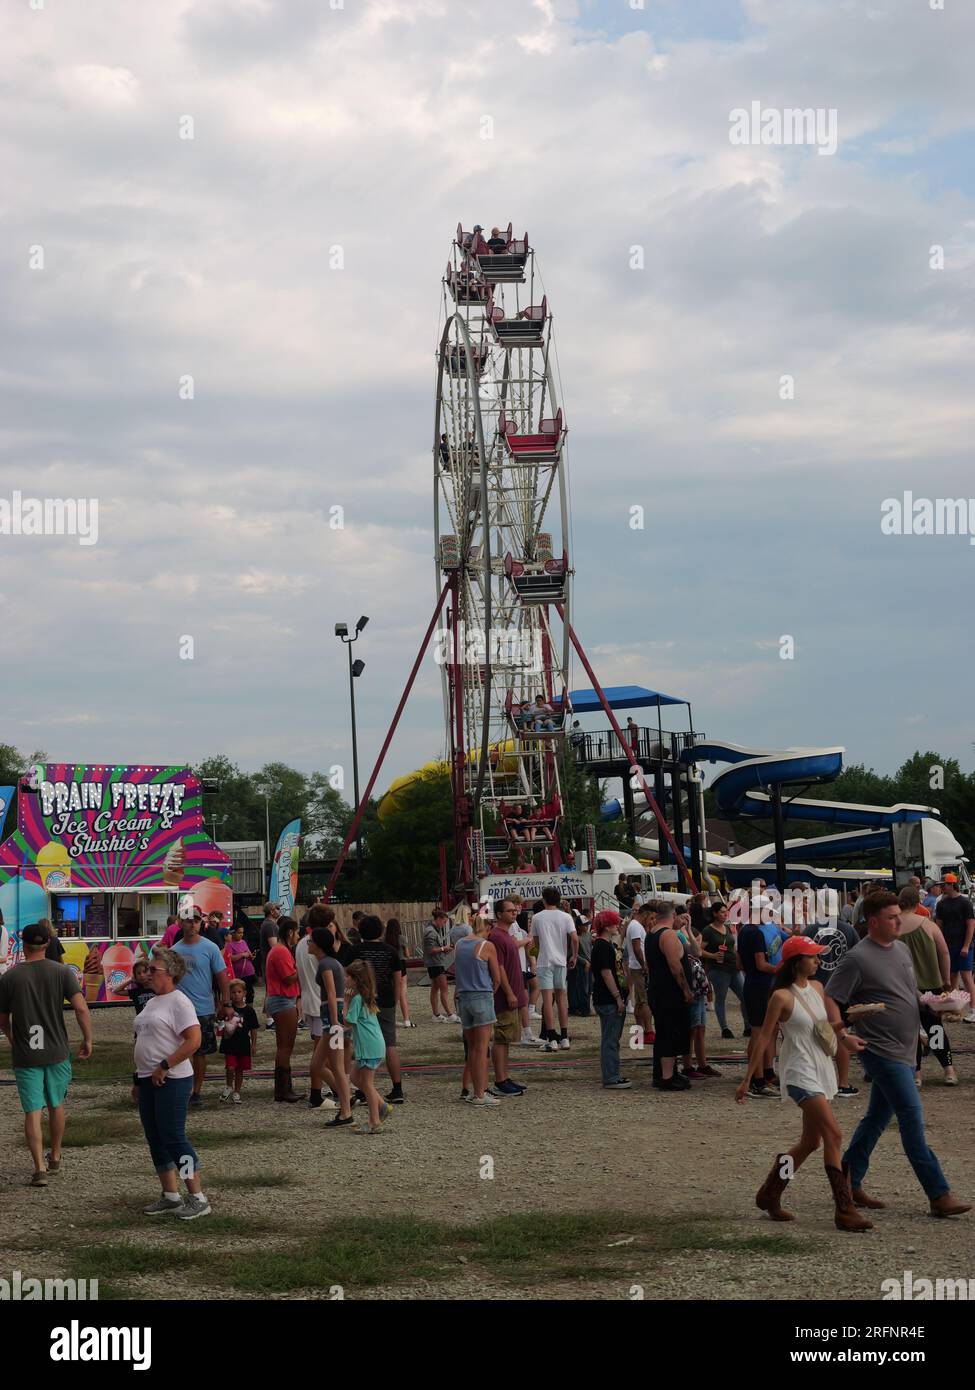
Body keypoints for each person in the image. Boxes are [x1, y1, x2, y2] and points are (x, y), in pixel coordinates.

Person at [827, 891, 970, 1219]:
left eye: (898, 916)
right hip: (880, 1049)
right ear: (873, 922)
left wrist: (938, 1004)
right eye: (892, 918)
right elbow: (832, 998)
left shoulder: (902, 948)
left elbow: (912, 994)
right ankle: (939, 1194)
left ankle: (848, 1180)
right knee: (911, 1117)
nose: (899, 921)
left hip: (906, 1047)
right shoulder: (857, 958)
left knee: (877, 1118)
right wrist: (842, 1034)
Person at [735, 936, 871, 1232]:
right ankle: (844, 1210)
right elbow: (763, 1037)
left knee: (811, 1141)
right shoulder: (781, 997)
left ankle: (770, 1193)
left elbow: (821, 1029)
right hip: (799, 1071)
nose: (818, 961)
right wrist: (748, 1078)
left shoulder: (818, 988)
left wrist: (849, 1025)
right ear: (797, 961)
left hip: (820, 1067)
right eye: (812, 957)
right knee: (833, 1135)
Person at [0, 921, 93, 1186]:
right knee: (56, 1105)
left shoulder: (10, 977)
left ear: (23, 945)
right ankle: (55, 1154)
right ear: (48, 944)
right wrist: (88, 1039)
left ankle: (39, 1167)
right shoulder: (62, 972)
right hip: (56, 1050)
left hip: (27, 1054)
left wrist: (10, 1036)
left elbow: (3, 1018)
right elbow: (82, 1008)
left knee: (32, 1111)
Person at [134, 946, 209, 1219]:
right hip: (148, 1079)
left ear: (170, 974)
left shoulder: (179, 1001)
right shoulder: (152, 1002)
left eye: (154, 969)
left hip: (172, 1079)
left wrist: (166, 1065)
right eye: (148, 968)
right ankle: (170, 1194)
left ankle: (197, 1196)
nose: (148, 974)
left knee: (174, 1136)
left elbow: (193, 1040)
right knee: (155, 1137)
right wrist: (138, 1078)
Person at [896, 886, 957, 1086]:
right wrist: (946, 980)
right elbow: (945, 953)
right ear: (918, 903)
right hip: (931, 984)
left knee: (910, 1032)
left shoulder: (894, 926)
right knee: (935, 1029)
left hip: (903, 987)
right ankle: (949, 1071)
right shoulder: (928, 925)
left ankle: (917, 1075)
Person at [172, 905, 232, 1108]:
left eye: (196, 920)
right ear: (181, 923)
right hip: (179, 1009)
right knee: (180, 1051)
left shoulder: (210, 947)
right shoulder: (174, 950)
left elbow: (222, 977)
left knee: (199, 1052)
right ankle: (182, 1088)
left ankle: (196, 1091)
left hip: (203, 1008)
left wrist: (226, 1003)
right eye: (188, 920)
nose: (192, 924)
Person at [350, 916, 406, 1106]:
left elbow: (346, 975)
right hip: (386, 999)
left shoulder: (355, 950)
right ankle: (397, 1088)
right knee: (390, 1043)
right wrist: (395, 1000)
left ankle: (364, 1088)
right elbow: (397, 979)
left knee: (361, 1043)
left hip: (363, 1000)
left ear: (360, 931)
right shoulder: (390, 952)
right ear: (381, 932)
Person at [806, 908, 861, 1098]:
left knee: (814, 1035)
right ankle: (843, 1083)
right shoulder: (849, 930)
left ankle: (817, 1080)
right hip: (842, 990)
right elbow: (858, 958)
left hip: (815, 988)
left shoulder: (810, 930)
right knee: (841, 1034)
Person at [307, 926, 353, 1127]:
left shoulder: (325, 964)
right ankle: (346, 1098)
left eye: (310, 941)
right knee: (316, 1065)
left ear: (318, 944)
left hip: (331, 1017)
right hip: (331, 1016)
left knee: (336, 1066)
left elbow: (332, 993)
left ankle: (345, 1111)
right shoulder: (333, 962)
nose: (308, 944)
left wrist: (335, 1022)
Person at [645, 904, 693, 1091]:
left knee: (664, 1032)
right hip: (670, 993)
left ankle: (665, 1072)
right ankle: (667, 1077)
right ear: (673, 915)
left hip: (658, 990)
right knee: (670, 1033)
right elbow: (675, 966)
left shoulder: (651, 935)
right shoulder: (668, 935)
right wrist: (686, 990)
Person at [455, 915, 503, 1106]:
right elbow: (497, 978)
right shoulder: (486, 946)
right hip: (481, 995)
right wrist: (491, 993)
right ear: (488, 927)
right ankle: (480, 1093)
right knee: (482, 1049)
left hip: (463, 996)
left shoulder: (459, 944)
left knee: (472, 1049)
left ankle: (474, 1090)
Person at [736, 907, 779, 1097]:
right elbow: (761, 964)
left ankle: (763, 1074)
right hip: (760, 984)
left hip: (751, 982)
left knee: (761, 1030)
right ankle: (758, 1080)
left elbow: (739, 963)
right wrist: (780, 969)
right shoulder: (756, 933)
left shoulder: (743, 930)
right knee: (760, 1032)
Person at [344, 960, 390, 1134]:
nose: (345, 979)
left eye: (348, 976)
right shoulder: (365, 996)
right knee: (356, 1078)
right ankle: (382, 1106)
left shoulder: (356, 999)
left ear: (356, 980)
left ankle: (374, 1121)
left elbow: (348, 1021)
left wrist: (346, 1001)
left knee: (367, 1084)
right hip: (373, 1045)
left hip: (369, 1047)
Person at [531, 886, 578, 1052]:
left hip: (545, 961)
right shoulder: (566, 917)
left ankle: (551, 1038)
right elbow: (574, 938)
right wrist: (574, 956)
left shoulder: (537, 917)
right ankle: (564, 1036)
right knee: (561, 1000)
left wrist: (536, 956)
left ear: (544, 900)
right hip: (561, 961)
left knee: (547, 1001)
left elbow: (535, 942)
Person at [487, 900, 526, 1097]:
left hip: (514, 994)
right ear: (499, 913)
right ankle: (500, 1080)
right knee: (501, 1038)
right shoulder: (496, 937)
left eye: (515, 910)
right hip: (504, 997)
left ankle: (505, 1076)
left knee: (507, 1038)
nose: (514, 913)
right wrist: (509, 992)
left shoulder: (506, 935)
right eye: (510, 911)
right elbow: (499, 968)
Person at [590, 910, 631, 1089]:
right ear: (607, 926)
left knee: (611, 1038)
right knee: (610, 1039)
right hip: (608, 999)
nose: (618, 925)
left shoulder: (605, 944)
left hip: (607, 998)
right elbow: (606, 973)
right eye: (615, 923)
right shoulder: (603, 947)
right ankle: (611, 1077)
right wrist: (617, 997)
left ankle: (613, 1074)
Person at [265, 917, 301, 1102]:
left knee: (284, 1046)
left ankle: (283, 1088)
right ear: (290, 933)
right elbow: (288, 977)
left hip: (281, 1000)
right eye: (297, 932)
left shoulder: (277, 950)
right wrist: (302, 970)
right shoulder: (281, 952)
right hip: (283, 1000)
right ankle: (283, 1089)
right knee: (286, 1046)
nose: (298, 936)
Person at [700, 901, 746, 1039]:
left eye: (726, 912)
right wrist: (713, 955)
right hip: (719, 969)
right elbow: (700, 950)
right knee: (721, 998)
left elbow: (733, 946)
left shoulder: (726, 927)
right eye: (722, 912)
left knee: (744, 996)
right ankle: (725, 1028)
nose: (725, 915)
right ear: (714, 913)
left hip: (734, 967)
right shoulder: (708, 930)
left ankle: (748, 1025)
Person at [934, 875, 975, 1022]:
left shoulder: (965, 903)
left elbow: (971, 925)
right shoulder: (941, 904)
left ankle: (973, 1009)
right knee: (952, 978)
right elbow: (939, 926)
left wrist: (966, 945)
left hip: (963, 945)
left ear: (951, 885)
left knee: (966, 977)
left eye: (944, 884)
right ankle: (956, 1009)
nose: (941, 887)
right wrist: (939, 945)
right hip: (948, 945)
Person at [218, 979, 259, 1104]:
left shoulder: (249, 1011)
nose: (236, 994)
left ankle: (237, 1091)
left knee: (240, 1069)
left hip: (243, 1043)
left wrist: (254, 1044)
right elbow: (219, 1018)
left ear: (245, 993)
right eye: (233, 992)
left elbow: (253, 1029)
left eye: (239, 992)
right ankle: (228, 1086)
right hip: (229, 1043)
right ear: (230, 994)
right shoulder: (228, 1009)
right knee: (230, 1067)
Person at [295, 914, 324, 1075]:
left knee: (319, 1047)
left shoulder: (300, 944)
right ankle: (320, 1088)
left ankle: (319, 1087)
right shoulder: (318, 945)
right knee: (322, 1049)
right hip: (320, 1002)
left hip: (309, 1000)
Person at [624, 903, 654, 1044]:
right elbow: (637, 948)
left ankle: (638, 1034)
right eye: (651, 917)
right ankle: (649, 1031)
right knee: (644, 1001)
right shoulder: (636, 926)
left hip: (636, 965)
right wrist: (644, 965)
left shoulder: (635, 925)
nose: (652, 921)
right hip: (638, 966)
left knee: (639, 1002)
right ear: (646, 914)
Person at [423, 908, 458, 1022]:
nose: (444, 925)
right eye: (443, 922)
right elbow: (430, 950)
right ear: (438, 919)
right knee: (444, 988)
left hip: (434, 963)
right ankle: (450, 1014)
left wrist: (444, 949)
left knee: (435, 988)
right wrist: (444, 948)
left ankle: (436, 1014)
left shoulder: (432, 930)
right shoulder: (431, 932)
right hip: (436, 963)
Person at [384, 918, 414, 1028]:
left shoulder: (385, 939)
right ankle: (406, 1019)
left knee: (392, 992)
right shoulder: (402, 938)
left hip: (389, 965)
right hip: (401, 965)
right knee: (402, 993)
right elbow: (407, 954)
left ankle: (392, 1017)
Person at [224, 920, 257, 1004]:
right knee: (238, 996)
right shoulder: (229, 944)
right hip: (238, 975)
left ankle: (249, 1011)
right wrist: (242, 955)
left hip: (249, 972)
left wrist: (251, 956)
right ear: (233, 933)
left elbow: (248, 953)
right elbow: (229, 958)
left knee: (249, 994)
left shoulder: (244, 942)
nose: (241, 934)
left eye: (242, 932)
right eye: (239, 933)